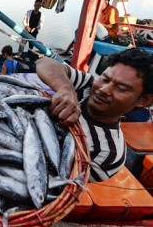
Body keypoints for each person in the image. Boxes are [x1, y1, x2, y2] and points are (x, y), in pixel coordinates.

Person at [35, 48, 153, 182]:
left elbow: (58, 184)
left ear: (144, 100)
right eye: (105, 79)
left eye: (121, 88)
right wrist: (65, 88)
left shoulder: (107, 155)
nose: (104, 89)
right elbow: (44, 63)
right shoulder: (87, 86)